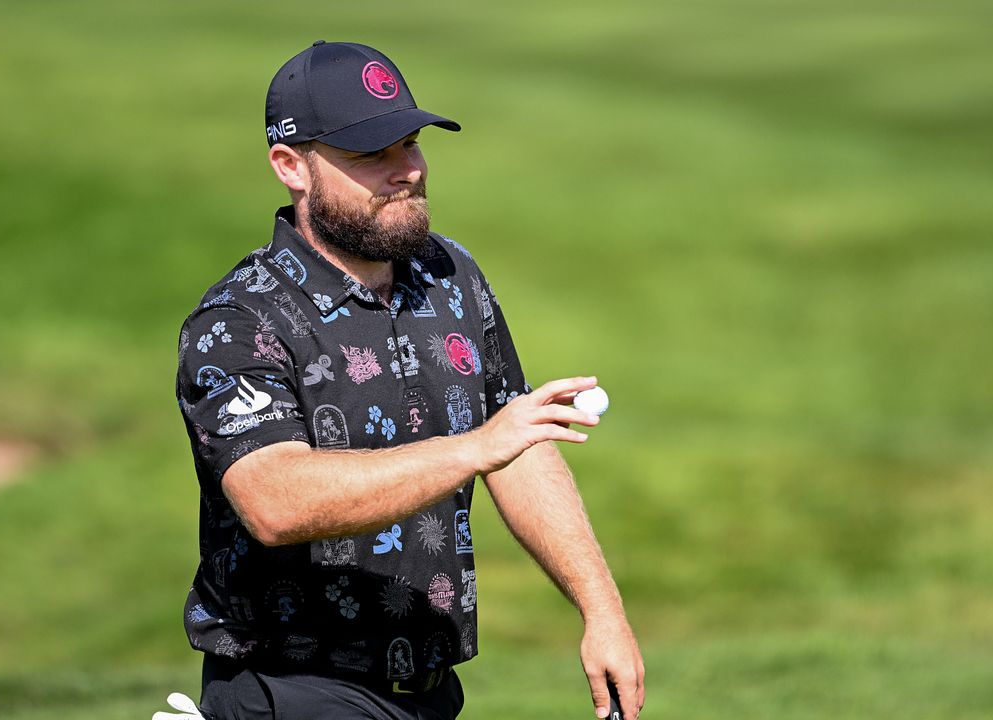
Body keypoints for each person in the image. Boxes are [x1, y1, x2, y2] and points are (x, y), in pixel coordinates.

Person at [174, 40, 644, 720]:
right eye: (371, 155)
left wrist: (602, 611)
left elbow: (517, 445)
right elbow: (272, 500)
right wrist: (474, 447)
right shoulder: (239, 320)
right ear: (291, 166)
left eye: (410, 144)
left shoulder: (449, 276)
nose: (407, 171)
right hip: (296, 688)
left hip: (430, 691)